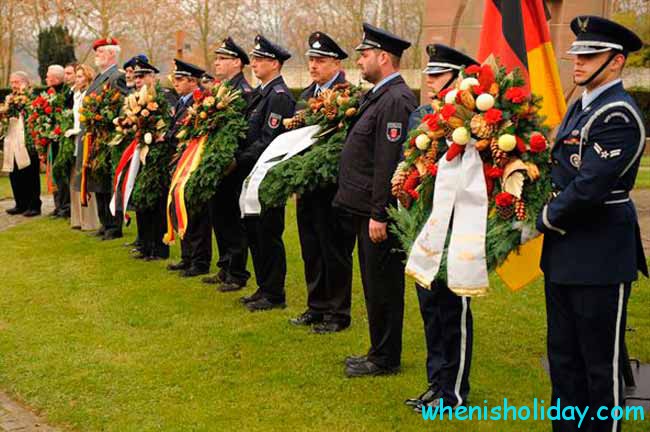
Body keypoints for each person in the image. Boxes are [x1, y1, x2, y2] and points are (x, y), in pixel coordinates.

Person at [536, 16, 647, 432]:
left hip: (599, 255)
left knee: (599, 365)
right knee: (563, 359)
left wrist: (540, 218)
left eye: (590, 55)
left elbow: (588, 188)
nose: (578, 63)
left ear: (615, 62)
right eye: (577, 54)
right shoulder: (580, 106)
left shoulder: (617, 114)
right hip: (565, 254)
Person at [334, 23, 417, 377]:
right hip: (364, 207)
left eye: (364, 55)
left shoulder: (396, 99)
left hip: (377, 212)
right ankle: (377, 349)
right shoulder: (379, 95)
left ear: (384, 58)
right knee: (372, 282)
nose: (360, 61)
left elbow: (389, 162)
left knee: (383, 283)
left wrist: (380, 214)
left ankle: (384, 357)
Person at [402, 44, 478, 412]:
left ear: (456, 77)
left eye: (438, 75)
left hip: (458, 224)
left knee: (453, 311)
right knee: (430, 308)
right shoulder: (421, 114)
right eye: (428, 74)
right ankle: (437, 383)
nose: (430, 81)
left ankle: (455, 393)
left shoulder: (473, 119)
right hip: (426, 222)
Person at [288, 31, 355, 334]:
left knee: (334, 249)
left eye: (320, 60)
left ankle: (338, 312)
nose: (313, 65)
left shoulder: (350, 96)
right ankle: (316, 306)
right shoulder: (305, 96)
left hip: (333, 188)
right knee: (310, 247)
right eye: (311, 60)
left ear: (336, 63)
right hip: (307, 188)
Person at [237, 34, 296, 311]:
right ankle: (263, 287)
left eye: (259, 60)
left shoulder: (279, 96)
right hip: (253, 174)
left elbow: (269, 140)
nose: (254, 64)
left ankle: (275, 293)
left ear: (274, 63)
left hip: (267, 176)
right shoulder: (262, 94)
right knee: (254, 231)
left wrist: (238, 160)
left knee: (268, 232)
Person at [202, 37, 253, 292]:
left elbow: (240, 132)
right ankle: (225, 265)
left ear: (237, 62)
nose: (217, 63)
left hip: (233, 166)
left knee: (232, 218)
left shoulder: (242, 92)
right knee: (218, 215)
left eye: (223, 59)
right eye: (217, 58)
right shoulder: (221, 89)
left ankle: (237, 271)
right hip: (217, 164)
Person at [73, 37, 128, 240]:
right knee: (97, 181)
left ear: (112, 54)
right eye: (97, 52)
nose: (97, 55)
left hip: (108, 137)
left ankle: (114, 225)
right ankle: (105, 222)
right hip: (94, 137)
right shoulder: (99, 77)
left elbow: (122, 105)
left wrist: (108, 121)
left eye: (101, 52)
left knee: (108, 182)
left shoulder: (117, 77)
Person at [165, 59, 212, 277]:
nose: (175, 82)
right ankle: (187, 257)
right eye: (175, 78)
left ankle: (199, 261)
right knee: (181, 209)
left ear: (192, 81)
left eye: (180, 79)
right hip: (179, 161)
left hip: (192, 163)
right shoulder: (181, 101)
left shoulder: (199, 101)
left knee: (196, 214)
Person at [130, 58, 177, 261]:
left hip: (159, 157)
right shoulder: (135, 99)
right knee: (141, 201)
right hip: (141, 156)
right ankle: (145, 245)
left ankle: (159, 248)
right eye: (136, 76)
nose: (138, 80)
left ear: (153, 76)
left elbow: (171, 123)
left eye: (142, 76)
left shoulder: (164, 96)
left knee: (157, 203)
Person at [2, 72, 41, 217]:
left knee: (30, 173)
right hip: (12, 139)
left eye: (16, 82)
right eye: (12, 82)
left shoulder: (31, 97)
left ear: (25, 82)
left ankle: (34, 205)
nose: (13, 85)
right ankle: (20, 203)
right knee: (15, 173)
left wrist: (23, 96)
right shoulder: (9, 98)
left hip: (27, 140)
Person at [69, 64, 100, 231]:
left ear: (88, 78)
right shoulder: (76, 94)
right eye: (76, 76)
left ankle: (91, 221)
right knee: (75, 179)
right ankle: (78, 219)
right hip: (75, 137)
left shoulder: (90, 94)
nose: (77, 79)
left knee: (87, 179)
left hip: (86, 138)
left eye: (80, 76)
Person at [45, 64, 71, 219]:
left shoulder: (65, 93)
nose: (46, 79)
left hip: (61, 138)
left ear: (54, 78)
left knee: (61, 173)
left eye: (48, 76)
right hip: (52, 138)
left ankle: (65, 207)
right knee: (54, 173)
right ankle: (58, 205)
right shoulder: (51, 93)